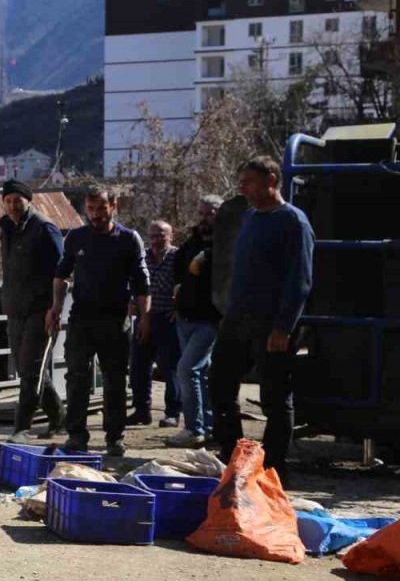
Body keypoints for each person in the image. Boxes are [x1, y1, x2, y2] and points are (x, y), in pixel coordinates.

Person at [210, 157, 313, 476]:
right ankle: (233, 459)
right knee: (220, 385)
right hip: (237, 320)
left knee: (274, 397)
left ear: (271, 180)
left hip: (272, 325)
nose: (242, 186)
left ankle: (272, 469)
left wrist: (283, 327)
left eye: (249, 180)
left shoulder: (293, 222)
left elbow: (300, 280)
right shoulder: (251, 217)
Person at [47, 186, 150, 457]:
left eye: (101, 209)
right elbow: (61, 275)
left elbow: (142, 283)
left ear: (113, 206)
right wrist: (55, 308)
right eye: (90, 209)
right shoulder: (76, 238)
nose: (95, 215)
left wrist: (145, 318)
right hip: (81, 320)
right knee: (76, 378)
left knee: (115, 381)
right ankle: (76, 435)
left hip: (116, 322)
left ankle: (115, 438)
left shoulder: (129, 239)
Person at [0, 179, 65, 443]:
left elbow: (62, 272)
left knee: (32, 369)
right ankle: (59, 417)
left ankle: (21, 428)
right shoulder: (6, 228)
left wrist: (54, 308)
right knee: (27, 370)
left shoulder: (45, 229)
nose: (13, 205)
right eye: (9, 201)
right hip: (15, 308)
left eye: (18, 200)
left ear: (28, 200)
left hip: (41, 309)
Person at [167, 196, 223, 447]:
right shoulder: (192, 242)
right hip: (185, 317)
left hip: (208, 320)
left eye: (209, 213)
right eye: (201, 213)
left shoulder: (226, 245)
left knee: (186, 370)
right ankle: (207, 427)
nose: (204, 218)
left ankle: (193, 428)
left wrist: (208, 256)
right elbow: (178, 271)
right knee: (200, 374)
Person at [128, 220, 182, 428]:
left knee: (171, 368)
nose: (156, 240)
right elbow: (136, 284)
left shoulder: (178, 257)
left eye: (161, 235)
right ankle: (142, 410)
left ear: (170, 235)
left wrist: (180, 309)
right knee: (139, 367)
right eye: (152, 236)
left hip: (168, 319)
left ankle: (172, 412)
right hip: (144, 318)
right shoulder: (142, 257)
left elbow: (187, 285)